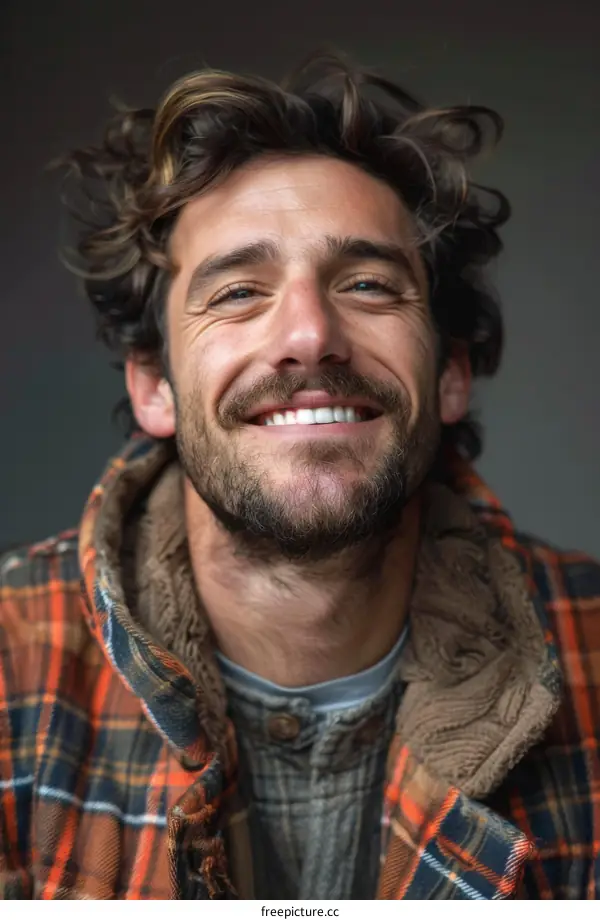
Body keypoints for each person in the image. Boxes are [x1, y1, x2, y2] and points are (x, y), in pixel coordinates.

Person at [0, 51, 598, 902]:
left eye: (365, 283)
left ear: (451, 373)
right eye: (239, 292)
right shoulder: (9, 675)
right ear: (154, 387)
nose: (310, 334)